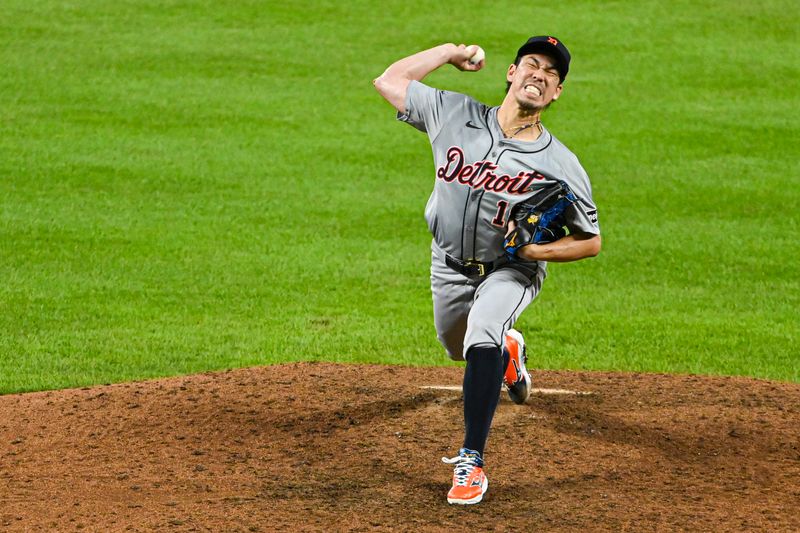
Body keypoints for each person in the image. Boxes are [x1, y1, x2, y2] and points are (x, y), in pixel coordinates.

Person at [373, 36, 601, 505]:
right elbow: (390, 81)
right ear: (511, 73)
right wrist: (449, 52)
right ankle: (508, 356)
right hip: (449, 265)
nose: (539, 75)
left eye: (551, 73)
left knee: (483, 330)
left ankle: (471, 461)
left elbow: (590, 240)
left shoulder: (561, 164)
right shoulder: (454, 114)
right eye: (532, 65)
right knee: (458, 347)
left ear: (557, 92)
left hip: (510, 271)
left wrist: (536, 255)